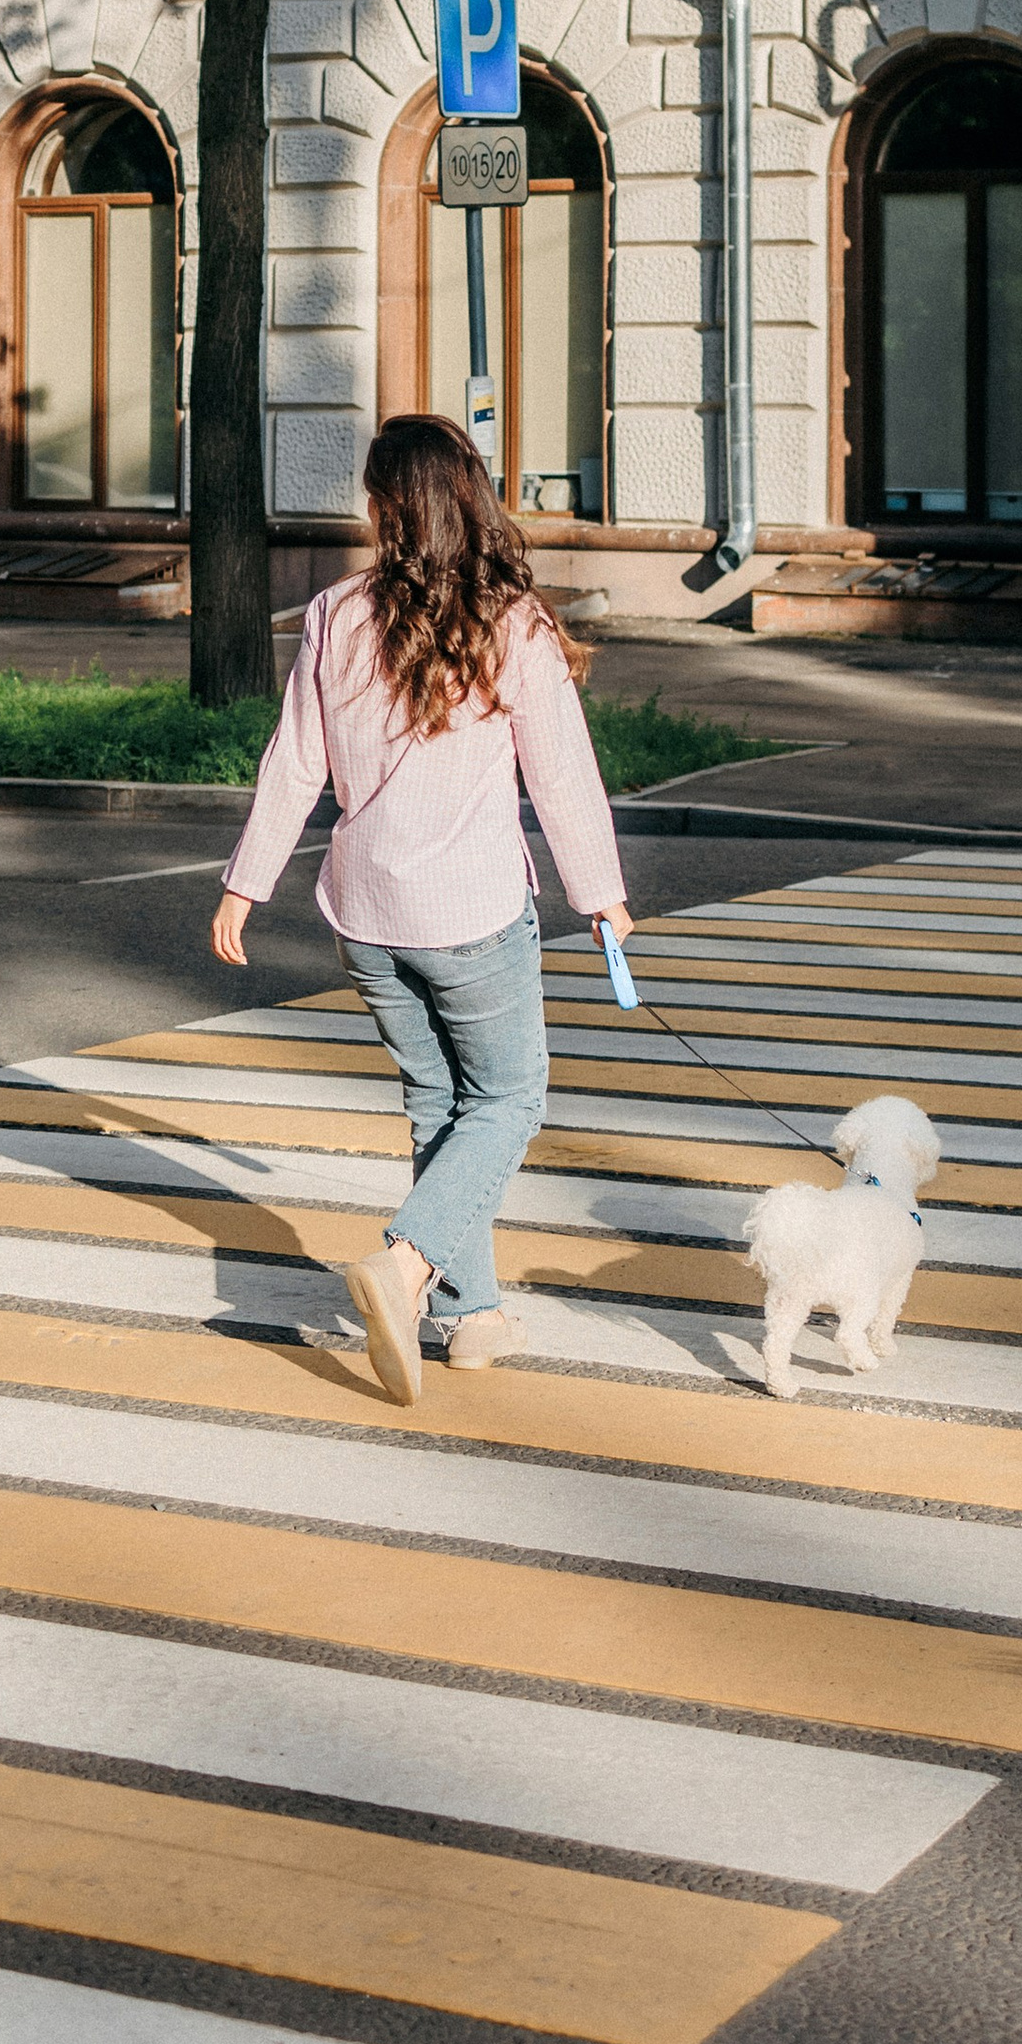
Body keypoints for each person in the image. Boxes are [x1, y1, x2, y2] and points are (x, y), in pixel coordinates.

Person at [212, 411, 633, 1406]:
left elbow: (296, 760)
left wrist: (245, 882)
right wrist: (603, 896)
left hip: (364, 911)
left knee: (440, 1105)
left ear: (380, 508)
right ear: (471, 496)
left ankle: (471, 1314)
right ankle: (404, 1271)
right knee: (509, 1098)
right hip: (473, 913)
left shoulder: (332, 614)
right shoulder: (510, 621)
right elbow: (562, 777)